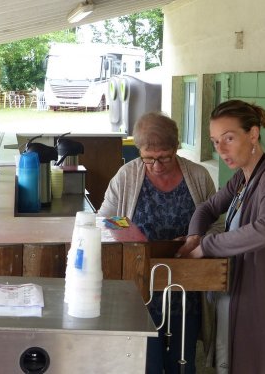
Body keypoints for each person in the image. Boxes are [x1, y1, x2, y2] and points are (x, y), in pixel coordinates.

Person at [176, 100, 265, 373]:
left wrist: (207, 246)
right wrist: (193, 236)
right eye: (215, 141)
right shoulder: (243, 177)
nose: (221, 149)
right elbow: (208, 208)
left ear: (253, 134)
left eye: (229, 138)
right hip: (242, 291)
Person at [98, 111, 220, 374]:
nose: (156, 165)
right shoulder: (127, 176)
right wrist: (131, 236)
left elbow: (218, 224)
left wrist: (194, 240)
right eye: (148, 158)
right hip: (140, 289)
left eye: (164, 157)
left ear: (176, 147)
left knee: (182, 362)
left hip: (185, 288)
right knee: (144, 363)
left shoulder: (198, 177)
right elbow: (105, 221)